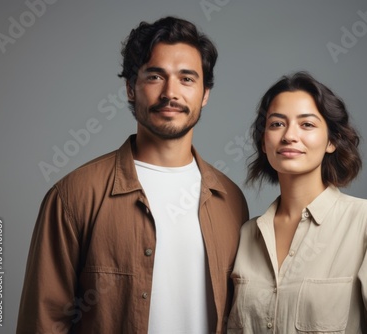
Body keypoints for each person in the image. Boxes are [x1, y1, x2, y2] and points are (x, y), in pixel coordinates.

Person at [16, 16, 249, 334]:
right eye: (155, 76)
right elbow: (43, 321)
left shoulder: (231, 199)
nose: (171, 92)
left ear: (204, 93)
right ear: (130, 87)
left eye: (187, 79)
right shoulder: (74, 195)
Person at [227, 72, 367, 333]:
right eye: (277, 124)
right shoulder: (247, 235)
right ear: (264, 142)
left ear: (331, 141)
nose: (289, 136)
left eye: (307, 125)